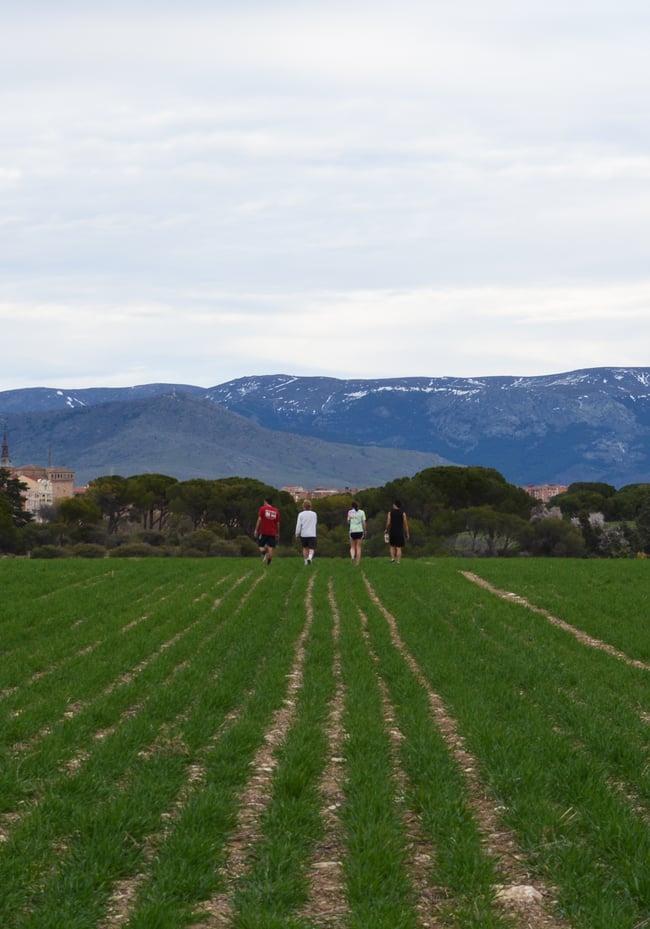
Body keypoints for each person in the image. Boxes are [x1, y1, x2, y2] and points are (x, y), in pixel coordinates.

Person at [254, 496, 281, 564]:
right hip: (272, 532)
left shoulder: (262, 509)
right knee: (270, 547)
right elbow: (277, 523)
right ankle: (269, 562)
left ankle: (264, 553)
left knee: (260, 545)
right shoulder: (276, 511)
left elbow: (259, 519)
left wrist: (256, 529)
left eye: (264, 502)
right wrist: (277, 533)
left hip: (263, 531)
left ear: (266, 502)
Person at [295, 499, 317, 565]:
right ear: (310, 506)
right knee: (312, 548)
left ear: (303, 506)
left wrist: (297, 534)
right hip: (312, 534)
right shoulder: (314, 514)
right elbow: (315, 523)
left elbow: (298, 525)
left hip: (304, 534)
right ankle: (310, 558)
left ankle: (305, 561)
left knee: (305, 548)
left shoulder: (301, 514)